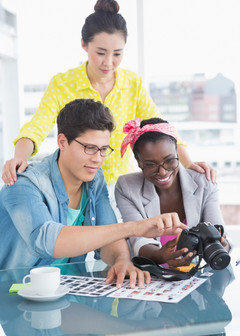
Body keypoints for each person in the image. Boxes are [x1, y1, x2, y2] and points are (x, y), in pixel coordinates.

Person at [1, 0, 215, 187]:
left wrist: (187, 163)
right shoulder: (63, 83)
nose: (109, 62)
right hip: (75, 185)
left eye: (117, 54)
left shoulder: (133, 83)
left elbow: (161, 128)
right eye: (101, 53)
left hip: (121, 185)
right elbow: (37, 126)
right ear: (84, 45)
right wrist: (19, 158)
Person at [0, 99, 191, 288]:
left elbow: (109, 234)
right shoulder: (23, 184)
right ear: (62, 142)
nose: (98, 159)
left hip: (69, 291)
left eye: (103, 149)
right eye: (90, 148)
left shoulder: (94, 178)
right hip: (15, 295)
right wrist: (134, 227)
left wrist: (121, 260)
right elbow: (49, 241)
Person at [115, 118, 230, 265]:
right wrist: (162, 256)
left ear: (177, 152)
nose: (162, 172)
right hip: (151, 276)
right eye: (150, 164)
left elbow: (218, 233)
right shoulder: (127, 187)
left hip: (195, 275)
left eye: (169, 160)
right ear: (138, 162)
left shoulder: (203, 182)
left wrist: (221, 244)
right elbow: (138, 240)